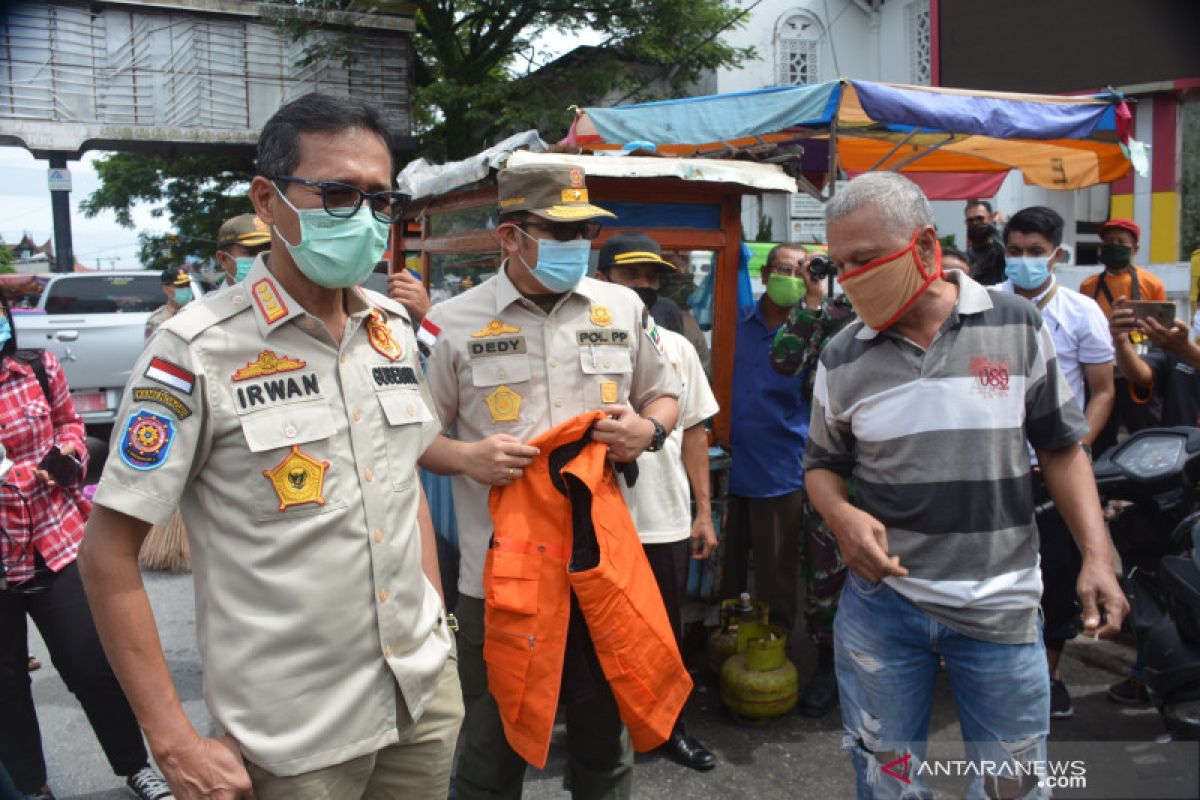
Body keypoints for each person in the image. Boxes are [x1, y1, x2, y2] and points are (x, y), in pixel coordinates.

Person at [78, 93, 463, 800]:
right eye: (339, 193)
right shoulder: (194, 350)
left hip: (422, 698)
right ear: (268, 200)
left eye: (381, 199)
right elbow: (106, 555)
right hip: (291, 736)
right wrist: (171, 741)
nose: (366, 218)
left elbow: (400, 486)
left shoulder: (390, 328)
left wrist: (437, 629)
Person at [805, 172, 1127, 799]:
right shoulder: (842, 354)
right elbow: (821, 467)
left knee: (1015, 787)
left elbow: (1061, 447)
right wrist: (841, 518)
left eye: (865, 259)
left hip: (1002, 607)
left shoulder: (1015, 325)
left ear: (925, 247)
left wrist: (1097, 555)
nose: (849, 277)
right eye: (839, 263)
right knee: (887, 783)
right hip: (882, 611)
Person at [418, 163, 681, 799]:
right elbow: (415, 439)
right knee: (491, 746)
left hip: (602, 568)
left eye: (585, 228)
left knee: (605, 742)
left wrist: (648, 431)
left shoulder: (621, 306)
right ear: (510, 236)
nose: (577, 241)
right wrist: (468, 459)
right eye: (557, 229)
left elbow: (664, 393)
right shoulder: (449, 324)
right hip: (499, 577)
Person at [0, 294, 172, 800]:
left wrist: (69, 454)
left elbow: (70, 425)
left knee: (90, 664)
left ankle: (136, 766)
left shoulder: (35, 366)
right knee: (6, 685)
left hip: (54, 539)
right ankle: (31, 787)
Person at [596, 231, 719, 770]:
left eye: (651, 278)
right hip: (592, 520)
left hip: (662, 519)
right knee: (592, 635)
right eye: (631, 276)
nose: (643, 287)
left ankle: (671, 728)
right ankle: (601, 738)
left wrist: (704, 513)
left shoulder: (679, 349)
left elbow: (695, 433)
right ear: (603, 281)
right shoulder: (576, 344)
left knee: (664, 635)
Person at [1000, 206, 1115, 720]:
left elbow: (1104, 392)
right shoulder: (986, 305)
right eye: (1015, 251)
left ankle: (1050, 673)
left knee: (1058, 572)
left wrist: (1076, 452)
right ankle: (995, 667)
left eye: (1034, 252)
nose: (1023, 261)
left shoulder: (1082, 312)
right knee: (999, 568)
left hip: (1056, 468)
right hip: (998, 466)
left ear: (1057, 256)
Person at [768, 247, 857, 718]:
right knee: (826, 569)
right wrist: (811, 300)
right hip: (833, 465)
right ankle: (826, 665)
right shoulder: (830, 315)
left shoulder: (903, 317)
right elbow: (783, 360)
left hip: (896, 468)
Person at [1106, 303, 1200, 705]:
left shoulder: (1185, 351)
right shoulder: (1174, 351)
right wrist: (1121, 340)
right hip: (1181, 494)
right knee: (1161, 580)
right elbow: (1140, 375)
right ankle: (1150, 674)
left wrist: (1188, 353)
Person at [718, 244, 809, 654]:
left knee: (776, 574)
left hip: (779, 470)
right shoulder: (735, 321)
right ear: (766, 273)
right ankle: (723, 645)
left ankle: (778, 650)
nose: (790, 277)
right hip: (727, 465)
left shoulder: (807, 333)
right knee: (725, 569)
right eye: (783, 268)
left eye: (801, 270)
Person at [1081, 218, 1168, 456]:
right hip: (1102, 367)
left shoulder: (1151, 283)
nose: (1114, 246)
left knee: (1146, 429)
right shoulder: (1089, 286)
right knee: (1101, 432)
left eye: (1121, 242)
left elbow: (1162, 326)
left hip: (1138, 365)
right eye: (1108, 242)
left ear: (1135, 249)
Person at [214, 213, 271, 283]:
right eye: (251, 253)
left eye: (269, 251)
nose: (262, 258)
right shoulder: (221, 294)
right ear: (223, 259)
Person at [964, 199, 1006, 285]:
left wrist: (996, 226)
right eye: (970, 221)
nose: (975, 223)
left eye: (980, 219)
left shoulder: (999, 250)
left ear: (990, 219)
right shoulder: (966, 256)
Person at [144, 268, 193, 338]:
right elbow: (154, 347)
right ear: (166, 289)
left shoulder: (198, 312)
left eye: (187, 285)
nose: (186, 289)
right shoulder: (156, 320)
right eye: (180, 286)